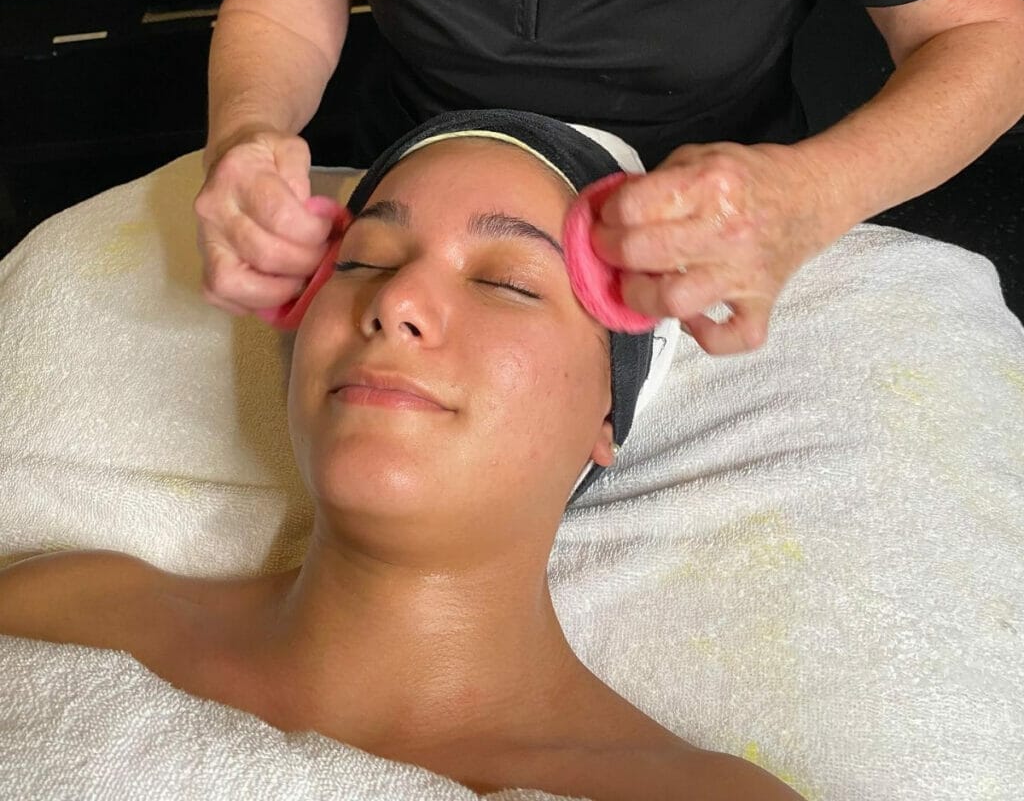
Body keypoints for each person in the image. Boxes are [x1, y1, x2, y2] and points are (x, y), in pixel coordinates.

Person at [0, 113, 802, 800]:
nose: (396, 303)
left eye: (509, 283)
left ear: (606, 414)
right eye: (365, 262)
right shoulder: (68, 613)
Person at [194, 0, 1024, 356]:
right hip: (416, 154)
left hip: (697, 216)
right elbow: (285, 5)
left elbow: (991, 43)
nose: (399, 315)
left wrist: (812, 195)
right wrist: (246, 133)